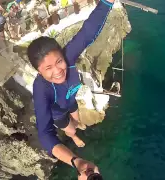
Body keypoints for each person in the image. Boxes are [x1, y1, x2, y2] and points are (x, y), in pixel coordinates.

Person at [27, 0, 115, 179]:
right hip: (59, 113)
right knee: (71, 128)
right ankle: (73, 135)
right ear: (39, 70)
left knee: (77, 118)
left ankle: (77, 126)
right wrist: (77, 161)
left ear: (62, 55)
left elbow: (87, 33)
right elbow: (45, 133)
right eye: (48, 68)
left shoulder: (68, 57)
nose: (58, 71)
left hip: (71, 99)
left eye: (58, 61)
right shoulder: (41, 89)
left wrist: (107, 3)